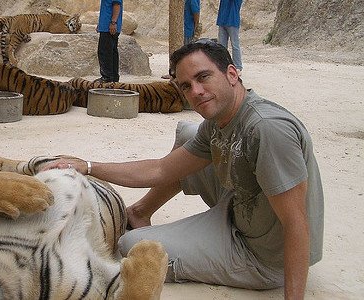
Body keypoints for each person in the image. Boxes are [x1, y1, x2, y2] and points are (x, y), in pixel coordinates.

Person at [45, 39, 324, 299]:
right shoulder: (220, 119)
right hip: (240, 208)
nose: (196, 92)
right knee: (190, 135)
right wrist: (88, 166)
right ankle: (140, 213)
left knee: (134, 247)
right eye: (186, 86)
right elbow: (161, 170)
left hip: (263, 256)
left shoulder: (267, 129)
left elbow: (297, 223)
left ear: (231, 74)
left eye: (203, 77)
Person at [94, 0, 123, 83]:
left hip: (109, 27)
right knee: (112, 53)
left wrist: (113, 22)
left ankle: (107, 77)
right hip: (106, 26)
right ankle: (113, 77)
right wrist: (101, 24)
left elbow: (117, 6)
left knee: (104, 52)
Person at [217, 0, 243, 72]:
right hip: (222, 20)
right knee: (222, 46)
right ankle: (222, 64)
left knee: (235, 45)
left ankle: (238, 66)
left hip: (232, 21)